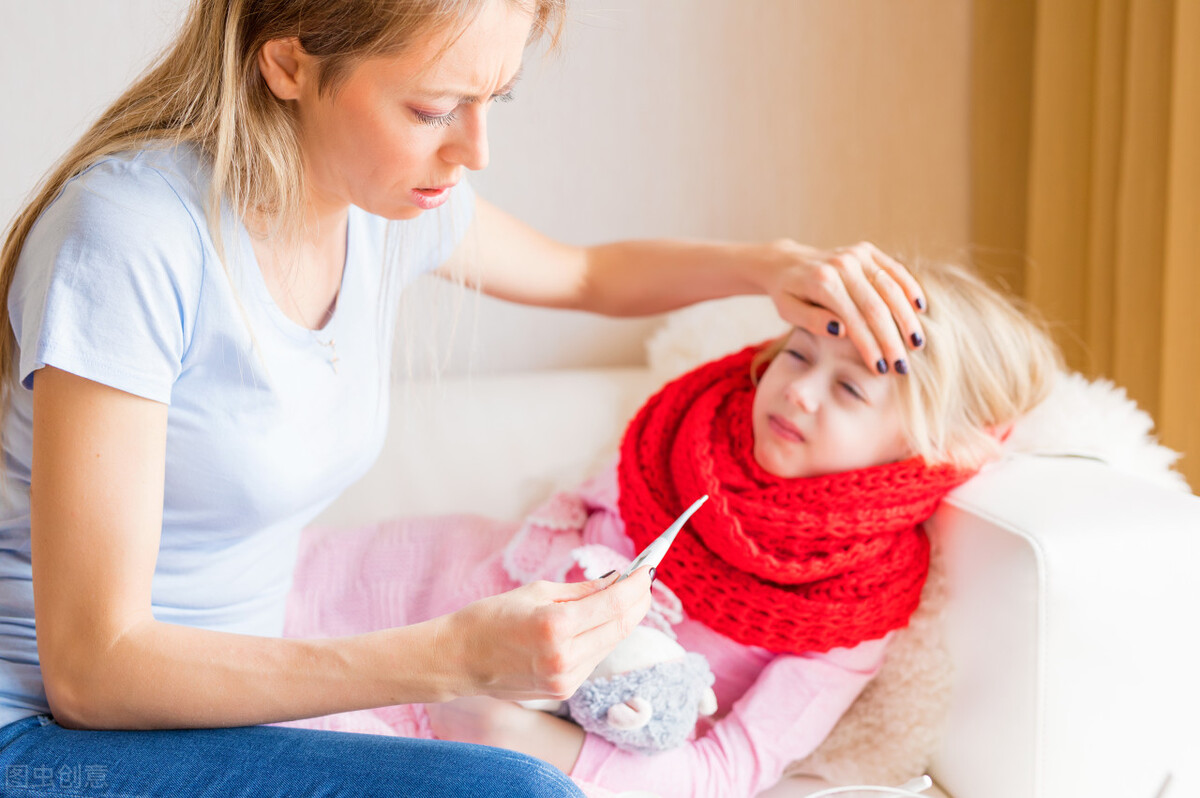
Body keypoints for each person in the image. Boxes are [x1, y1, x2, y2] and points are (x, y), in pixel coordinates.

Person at [0, 1, 927, 796]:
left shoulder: (384, 202)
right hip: (42, 738)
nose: (474, 150)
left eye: (496, 100)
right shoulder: (130, 237)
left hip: (210, 724)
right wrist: (452, 656)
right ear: (287, 61)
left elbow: (588, 275)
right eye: (434, 107)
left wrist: (774, 267)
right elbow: (95, 673)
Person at [280, 258, 1059, 797]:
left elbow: (723, 776)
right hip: (400, 577)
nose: (799, 392)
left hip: (467, 713)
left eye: (851, 389)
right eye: (797, 353)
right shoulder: (682, 446)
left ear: (938, 448)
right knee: (209, 621)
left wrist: (521, 739)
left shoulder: (853, 611)